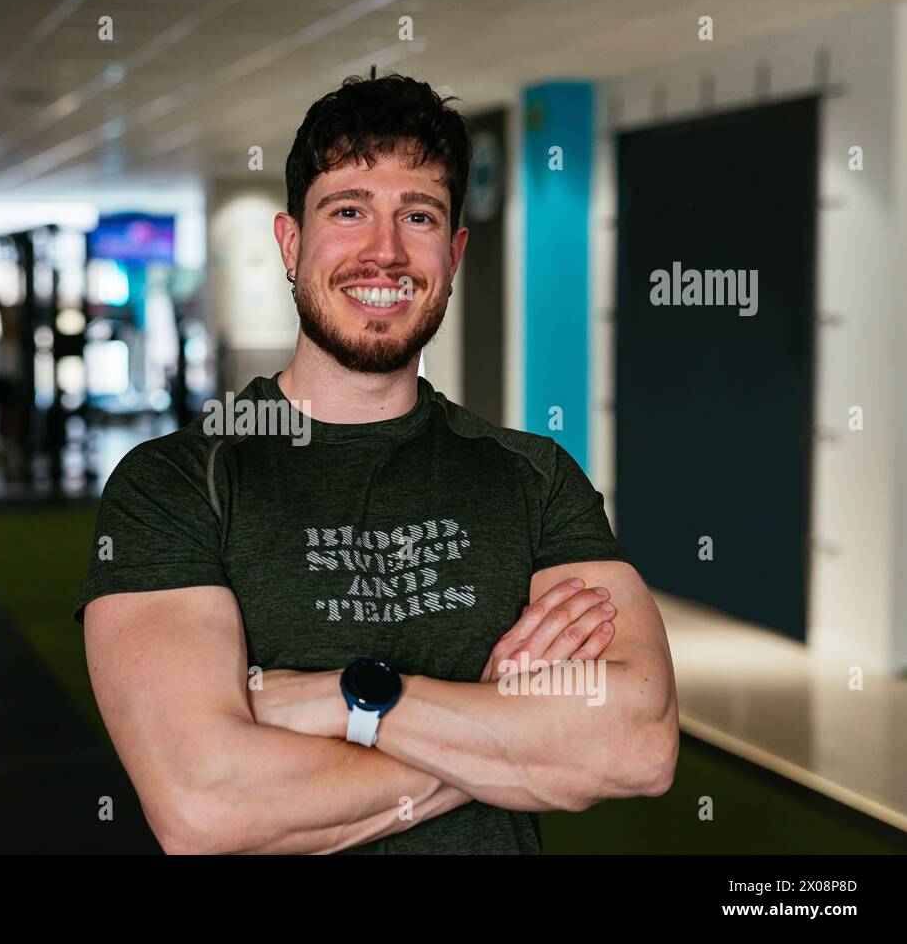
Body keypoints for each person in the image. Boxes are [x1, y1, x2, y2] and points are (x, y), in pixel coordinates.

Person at [76, 69, 679, 854]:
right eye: (349, 209)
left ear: (455, 251)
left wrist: (356, 702)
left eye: (418, 215)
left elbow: (638, 740)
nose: (384, 251)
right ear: (291, 244)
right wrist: (507, 729)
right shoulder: (177, 485)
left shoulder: (534, 477)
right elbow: (205, 802)